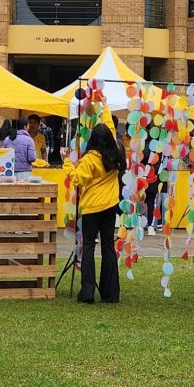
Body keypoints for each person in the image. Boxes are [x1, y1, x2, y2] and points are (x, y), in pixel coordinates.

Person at [71, 121, 123, 304]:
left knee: (89, 247)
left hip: (92, 207)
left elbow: (78, 180)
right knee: (108, 246)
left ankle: (87, 292)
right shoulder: (115, 155)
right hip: (110, 206)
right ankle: (110, 294)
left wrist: (68, 166)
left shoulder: (89, 159)